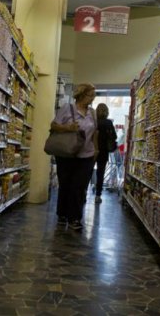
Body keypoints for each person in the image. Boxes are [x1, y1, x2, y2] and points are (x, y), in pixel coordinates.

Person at [51, 83, 97, 230]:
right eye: (91, 95)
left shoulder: (93, 113)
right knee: (65, 185)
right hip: (67, 154)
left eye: (94, 95)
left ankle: (75, 218)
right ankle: (62, 214)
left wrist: (96, 150)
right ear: (81, 95)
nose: (93, 98)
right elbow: (53, 125)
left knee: (79, 186)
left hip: (86, 155)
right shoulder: (67, 108)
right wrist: (67, 127)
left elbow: (95, 132)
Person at [94, 103, 117, 203]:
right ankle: (98, 196)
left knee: (88, 171)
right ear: (106, 112)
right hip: (104, 151)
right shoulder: (108, 123)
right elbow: (114, 137)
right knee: (100, 173)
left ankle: (84, 194)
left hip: (92, 150)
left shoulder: (94, 122)